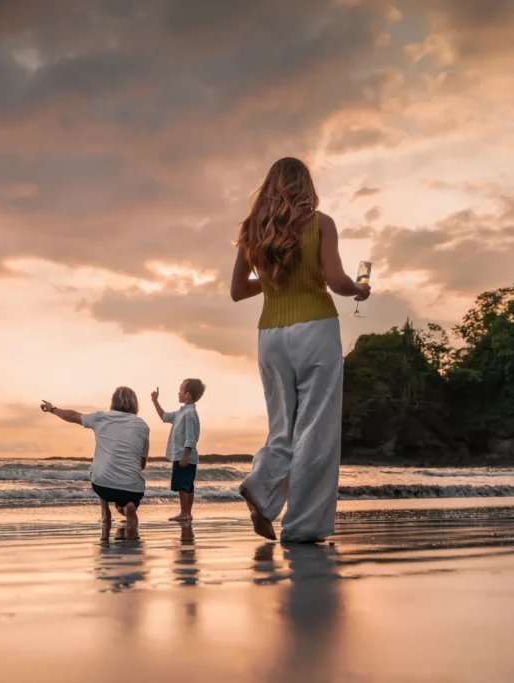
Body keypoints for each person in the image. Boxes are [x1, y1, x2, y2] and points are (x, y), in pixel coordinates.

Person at [229, 157, 370, 543]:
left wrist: (274, 280)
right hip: (316, 331)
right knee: (316, 429)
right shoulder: (320, 223)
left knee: (282, 427)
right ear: (305, 186)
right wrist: (359, 290)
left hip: (271, 337)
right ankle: (304, 526)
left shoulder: (252, 230)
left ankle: (262, 486)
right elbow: (339, 281)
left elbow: (238, 291)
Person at [41, 388, 150, 538]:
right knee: (126, 496)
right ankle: (127, 508)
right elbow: (141, 465)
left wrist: (52, 409)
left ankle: (106, 513)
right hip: (133, 489)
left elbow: (72, 416)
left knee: (98, 468)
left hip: (103, 486)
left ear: (113, 403)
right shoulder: (143, 425)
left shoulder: (101, 418)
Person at [150, 379, 204, 523]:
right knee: (187, 486)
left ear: (187, 395)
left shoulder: (190, 413)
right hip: (182, 455)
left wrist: (185, 455)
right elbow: (164, 416)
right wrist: (155, 401)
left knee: (183, 486)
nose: (178, 392)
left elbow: (191, 437)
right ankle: (187, 513)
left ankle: (184, 513)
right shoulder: (181, 412)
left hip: (184, 456)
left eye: (180, 390)